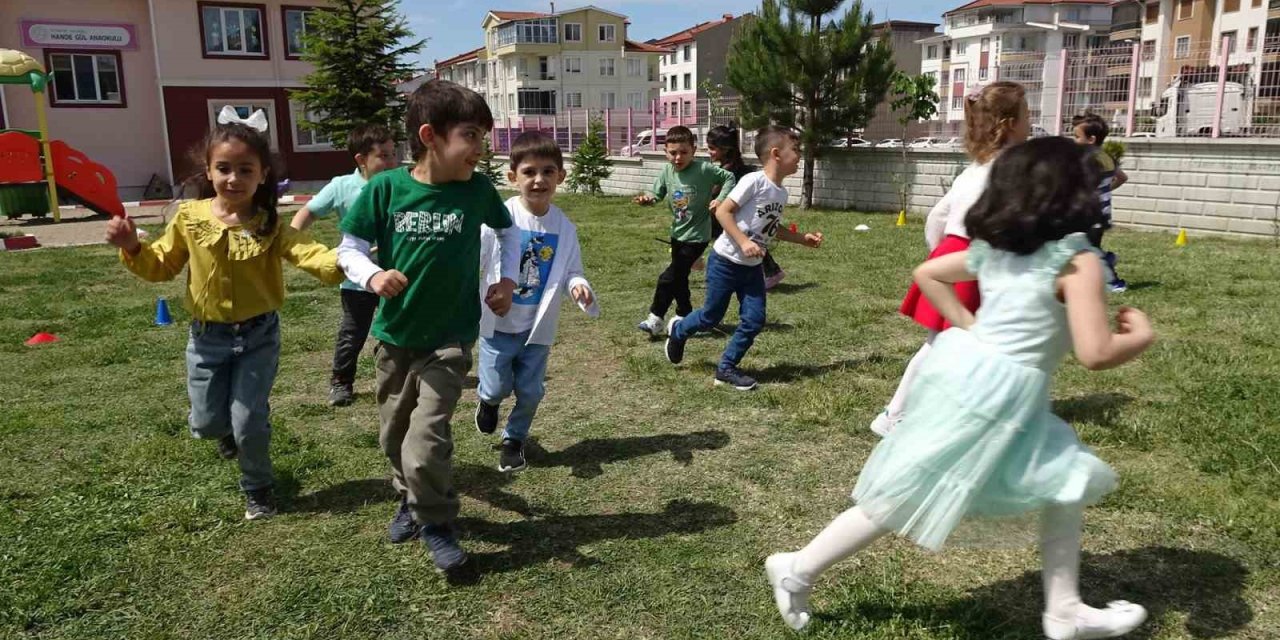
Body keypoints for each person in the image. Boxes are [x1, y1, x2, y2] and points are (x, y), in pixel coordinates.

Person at [764, 137, 1155, 640]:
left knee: (1065, 482)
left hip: (981, 381)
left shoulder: (1001, 248)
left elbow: (928, 272)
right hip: (998, 395)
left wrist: (969, 328)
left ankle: (1065, 611)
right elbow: (1097, 353)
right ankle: (797, 566)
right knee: (907, 495)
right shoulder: (1077, 263)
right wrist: (1139, 336)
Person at [105, 117, 344, 521]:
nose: (234, 178)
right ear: (208, 171)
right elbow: (161, 265)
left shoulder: (269, 224)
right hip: (206, 339)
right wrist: (132, 247)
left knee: (249, 419)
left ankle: (258, 488)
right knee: (207, 422)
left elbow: (309, 252)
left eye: (246, 169)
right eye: (224, 169)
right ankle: (225, 434)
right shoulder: (189, 218)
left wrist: (348, 262)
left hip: (258, 336)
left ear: (263, 174)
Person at [336, 79, 520, 572]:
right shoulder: (385, 189)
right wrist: (373, 274)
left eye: (484, 136)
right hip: (395, 339)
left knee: (426, 439)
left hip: (450, 340)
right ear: (430, 136)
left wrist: (505, 279)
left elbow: (508, 231)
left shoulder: (477, 190)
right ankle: (410, 500)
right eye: (471, 136)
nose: (481, 150)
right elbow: (349, 248)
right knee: (393, 438)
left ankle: (437, 522)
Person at [871, 81, 1031, 437]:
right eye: (1026, 115)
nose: (1030, 123)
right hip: (976, 261)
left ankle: (947, 409)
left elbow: (936, 219)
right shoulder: (1011, 170)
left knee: (949, 343)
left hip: (957, 256)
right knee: (946, 344)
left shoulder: (974, 169)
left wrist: (940, 256)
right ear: (1007, 123)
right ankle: (895, 414)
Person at [663, 125, 823, 391]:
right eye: (795, 150)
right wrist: (744, 241)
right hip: (725, 262)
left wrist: (802, 238)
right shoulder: (753, 181)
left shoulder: (781, 193)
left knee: (754, 320)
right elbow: (723, 212)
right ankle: (679, 331)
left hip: (751, 269)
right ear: (776, 154)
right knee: (710, 318)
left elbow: (773, 227)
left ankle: (726, 368)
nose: (799, 156)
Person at [474, 131, 599, 473]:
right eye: (529, 172)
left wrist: (578, 286)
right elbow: (479, 257)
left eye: (547, 171)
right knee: (498, 385)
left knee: (531, 392)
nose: (539, 180)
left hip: (536, 329)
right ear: (513, 177)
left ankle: (514, 440)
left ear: (561, 176)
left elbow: (572, 269)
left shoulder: (564, 227)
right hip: (499, 324)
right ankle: (487, 400)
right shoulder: (501, 217)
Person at [289, 124, 400, 406]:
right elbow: (308, 212)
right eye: (383, 156)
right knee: (353, 333)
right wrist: (294, 243)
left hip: (397, 274)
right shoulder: (342, 186)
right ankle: (341, 381)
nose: (391, 162)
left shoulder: (401, 184)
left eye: (392, 154)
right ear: (361, 160)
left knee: (400, 327)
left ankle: (391, 363)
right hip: (357, 278)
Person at [633, 125, 737, 337]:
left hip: (697, 236)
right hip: (677, 234)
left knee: (668, 277)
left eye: (684, 152)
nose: (678, 158)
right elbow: (657, 193)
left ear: (694, 150)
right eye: (673, 153)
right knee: (679, 279)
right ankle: (686, 317)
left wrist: (720, 199)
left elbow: (729, 178)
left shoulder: (703, 170)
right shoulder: (666, 171)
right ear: (665, 152)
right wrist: (648, 199)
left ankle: (656, 318)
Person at [705, 125, 787, 289]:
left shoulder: (730, 172)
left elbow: (718, 196)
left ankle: (770, 271)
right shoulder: (731, 168)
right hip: (734, 218)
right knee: (752, 241)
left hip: (734, 218)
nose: (709, 152)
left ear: (725, 149)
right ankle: (771, 271)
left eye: (712, 148)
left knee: (750, 241)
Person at [1072, 112, 1129, 293]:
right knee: (1087, 247)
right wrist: (1105, 191)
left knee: (1090, 249)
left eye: (1077, 137)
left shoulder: (1089, 161)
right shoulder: (1107, 157)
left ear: (1091, 139)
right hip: (1101, 213)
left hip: (1092, 215)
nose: (1074, 141)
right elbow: (1122, 177)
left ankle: (1114, 281)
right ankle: (1104, 261)